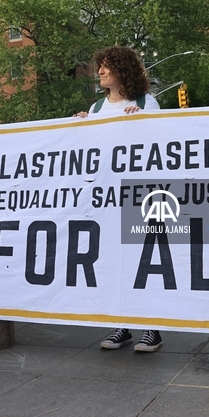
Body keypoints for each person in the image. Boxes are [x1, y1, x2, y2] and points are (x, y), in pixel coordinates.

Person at [74, 46, 163, 352]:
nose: (100, 71)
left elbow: (164, 145)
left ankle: (152, 327)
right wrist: (82, 125)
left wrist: (144, 122)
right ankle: (121, 325)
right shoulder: (97, 109)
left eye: (107, 67)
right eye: (100, 66)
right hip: (107, 199)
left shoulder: (145, 103)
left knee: (143, 261)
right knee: (113, 260)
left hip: (140, 197)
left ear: (123, 70)